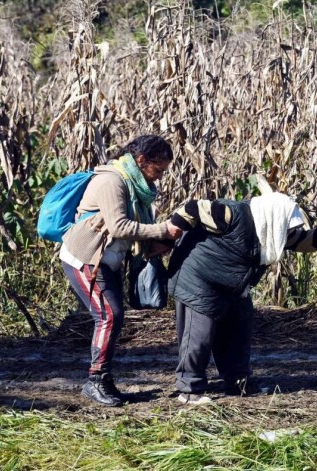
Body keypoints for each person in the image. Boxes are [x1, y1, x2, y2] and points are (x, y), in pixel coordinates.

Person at [166, 192, 317, 404]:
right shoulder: (232, 214)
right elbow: (192, 208)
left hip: (233, 286)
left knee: (239, 328)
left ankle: (238, 384)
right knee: (199, 335)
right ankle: (189, 389)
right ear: (273, 216)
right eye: (288, 227)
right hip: (198, 279)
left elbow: (308, 241)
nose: (289, 232)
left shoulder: (274, 229)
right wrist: (166, 235)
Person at [60, 135, 183, 407]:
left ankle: (103, 379)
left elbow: (126, 231)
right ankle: (96, 381)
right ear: (142, 161)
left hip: (107, 258)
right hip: (85, 257)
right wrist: (162, 229)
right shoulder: (112, 181)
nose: (160, 176)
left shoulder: (135, 184)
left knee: (112, 315)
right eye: (158, 169)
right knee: (109, 316)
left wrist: (155, 244)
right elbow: (119, 227)